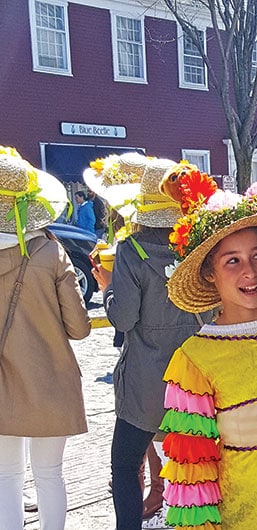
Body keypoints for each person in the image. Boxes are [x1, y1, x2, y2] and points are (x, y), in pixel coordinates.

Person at [159, 173, 257, 528]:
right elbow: (192, 472)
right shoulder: (195, 360)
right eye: (232, 260)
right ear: (210, 273)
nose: (249, 271)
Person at [86, 155, 208, 530]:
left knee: (124, 466)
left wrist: (107, 289)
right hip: (195, 379)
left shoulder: (132, 250)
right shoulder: (199, 248)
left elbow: (123, 318)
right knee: (199, 470)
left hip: (144, 384)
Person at [0, 147, 91, 529]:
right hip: (51, 382)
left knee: (6, 478)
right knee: (50, 474)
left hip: (3, 384)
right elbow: (80, 328)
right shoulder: (52, 253)